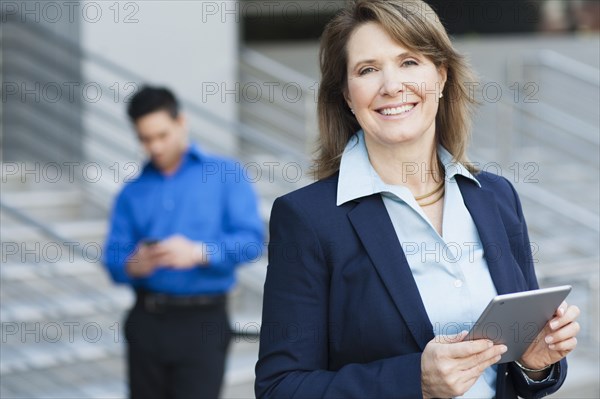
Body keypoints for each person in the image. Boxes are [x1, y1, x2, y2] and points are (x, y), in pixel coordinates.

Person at [255, 1, 580, 398]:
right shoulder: (309, 219)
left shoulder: (496, 197)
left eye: (409, 62)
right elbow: (280, 388)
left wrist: (535, 363)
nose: (391, 85)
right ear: (346, 95)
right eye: (367, 69)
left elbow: (518, 373)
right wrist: (414, 381)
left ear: (442, 76)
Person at [103, 86, 264, 399]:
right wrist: (133, 264)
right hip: (146, 321)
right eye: (146, 139)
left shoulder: (226, 175)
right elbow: (113, 260)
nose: (156, 147)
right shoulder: (131, 192)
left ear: (182, 123)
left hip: (203, 322)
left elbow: (252, 241)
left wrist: (199, 252)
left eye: (162, 135)